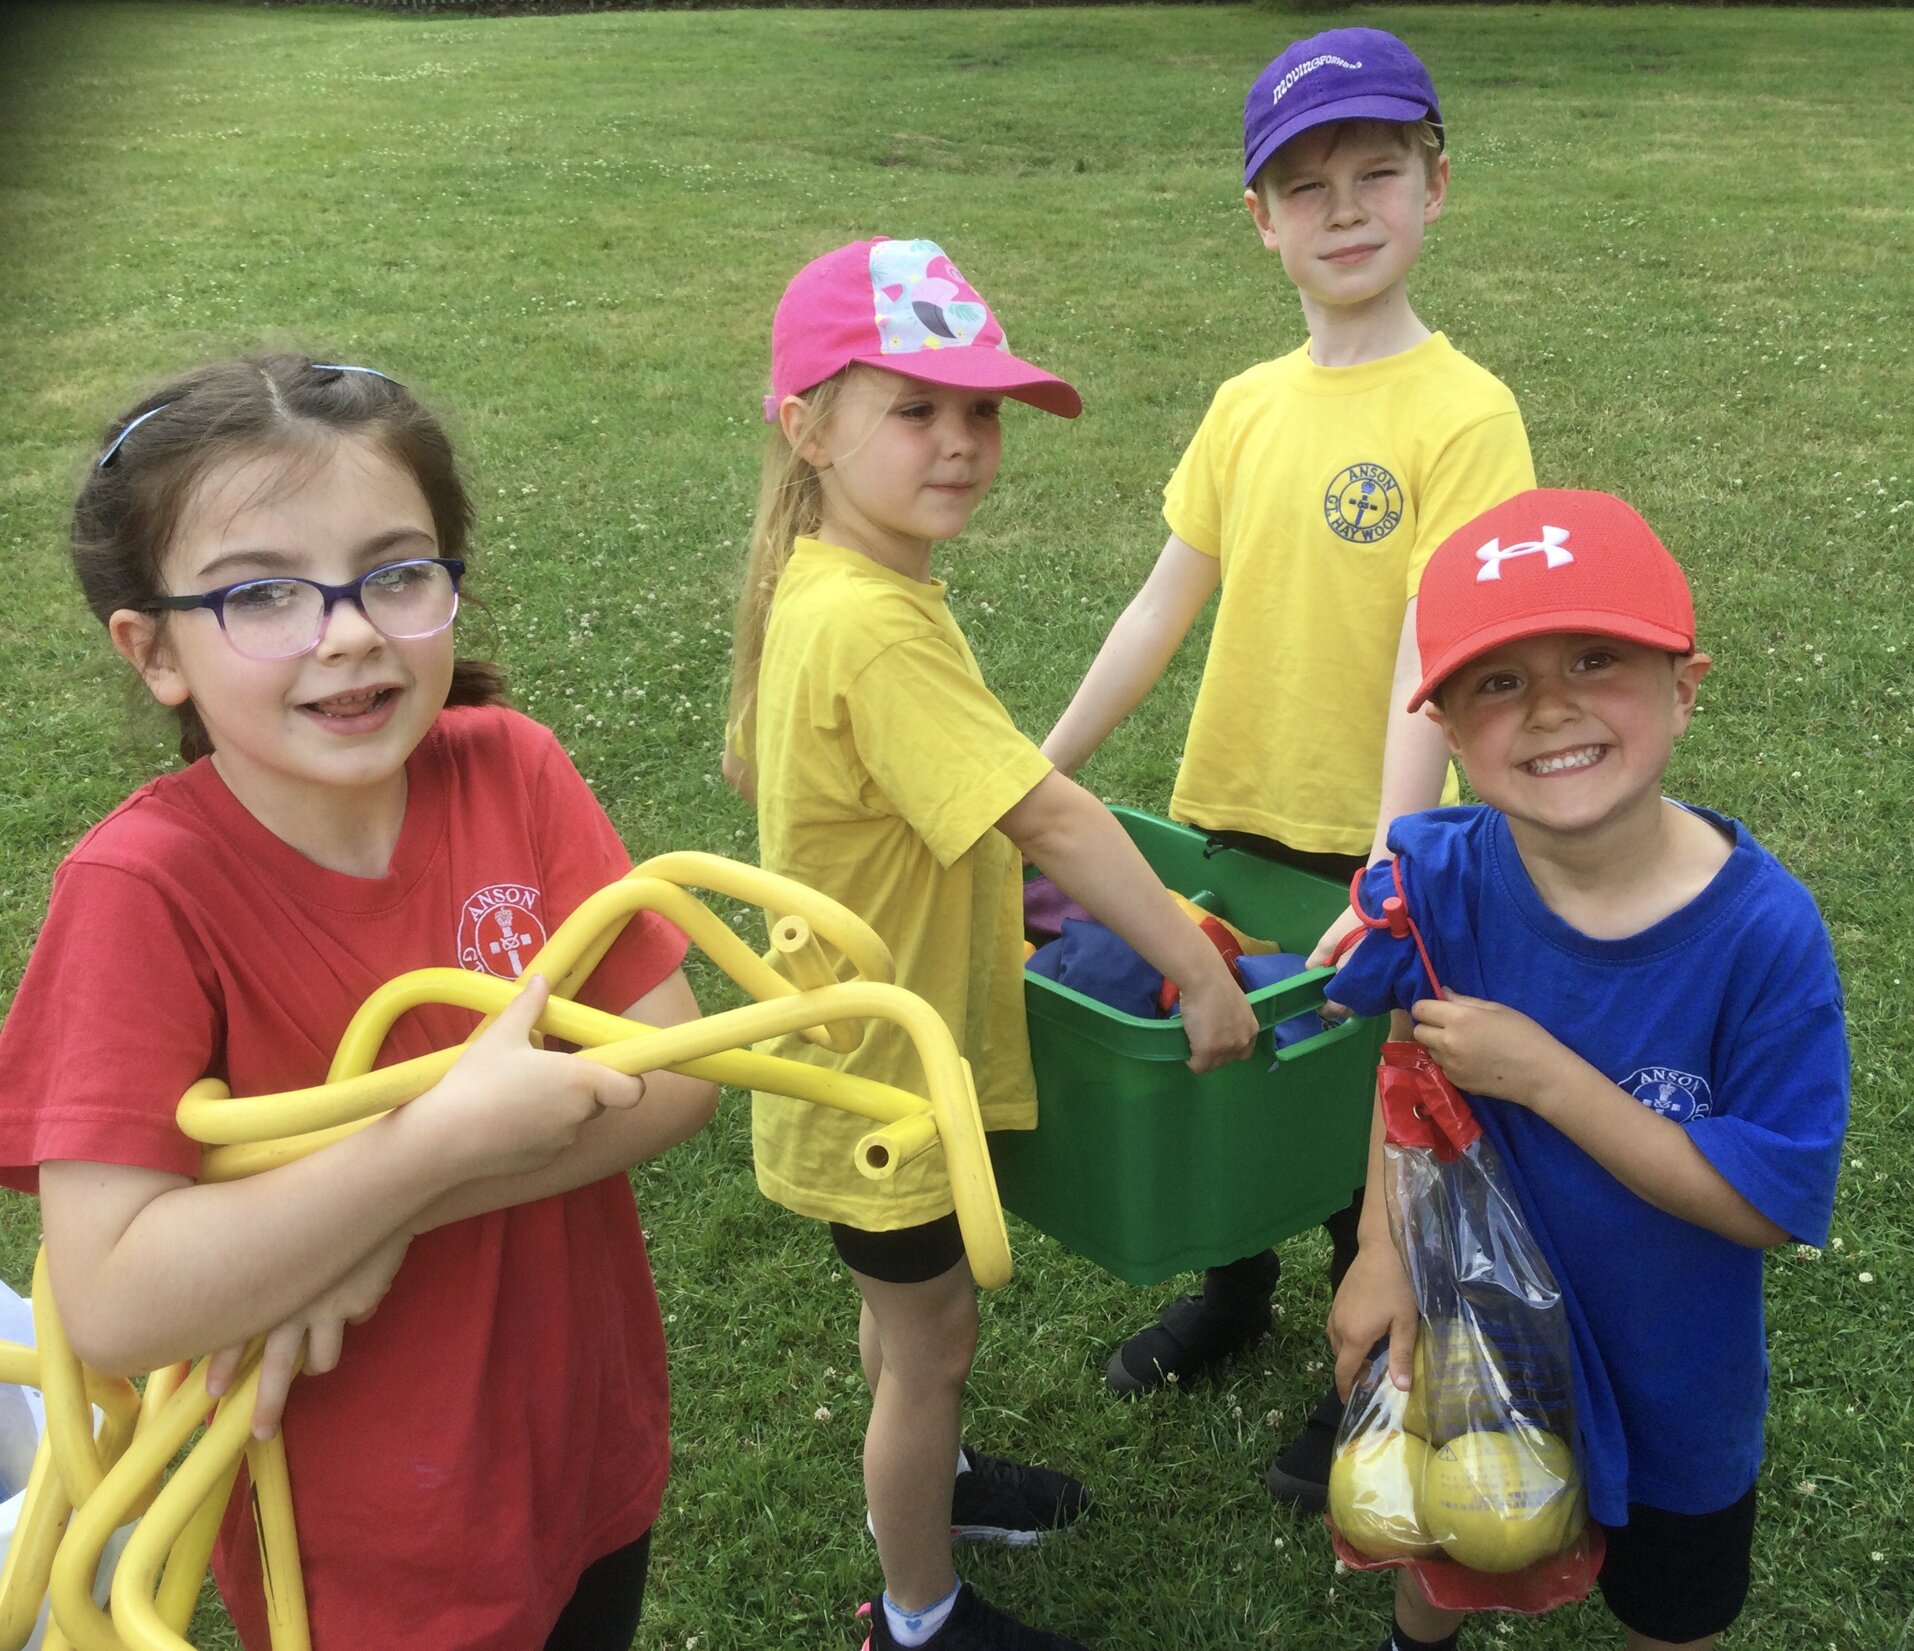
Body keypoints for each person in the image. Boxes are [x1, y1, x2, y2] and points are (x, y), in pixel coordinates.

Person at [0, 356, 722, 1651]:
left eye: (397, 569)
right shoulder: (142, 892)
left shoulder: (511, 764)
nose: (348, 629)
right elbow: (115, 1290)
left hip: (581, 1445)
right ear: (153, 647)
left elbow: (678, 1066)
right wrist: (431, 1144)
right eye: (261, 592)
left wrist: (401, 1202)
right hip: (362, 1544)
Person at [723, 237, 1260, 1651]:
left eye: (981, 410)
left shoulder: (827, 586)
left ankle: (941, 1485)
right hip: (887, 1075)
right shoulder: (875, 624)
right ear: (811, 428)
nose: (962, 442)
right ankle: (918, 1610)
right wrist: (1199, 967)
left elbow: (778, 778)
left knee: (914, 1324)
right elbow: (1055, 817)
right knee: (933, 1341)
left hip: (857, 1050)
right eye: (916, 408)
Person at [1040, 26, 1536, 1508]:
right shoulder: (1248, 404)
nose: (1344, 208)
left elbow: (1433, 659)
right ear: (1259, 219)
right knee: (1221, 1055)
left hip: (1364, 838)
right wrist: (1038, 771)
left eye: (1377, 170)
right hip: (1224, 807)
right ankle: (1232, 1289)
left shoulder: (1465, 410)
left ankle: (1371, 1353)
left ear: (1436, 185)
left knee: (1357, 1104)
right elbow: (1160, 598)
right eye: (1304, 186)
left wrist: (1393, 854)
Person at [1322, 488, 1850, 1651]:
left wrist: (1547, 1077)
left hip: (1671, 1376)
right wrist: (1376, 1246)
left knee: (1671, 1608)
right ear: (1450, 731)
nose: (1550, 706)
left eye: (1595, 659)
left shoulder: (1759, 934)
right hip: (1473, 1343)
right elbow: (1407, 1054)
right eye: (1498, 681)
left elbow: (1766, 1203)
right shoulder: (1439, 878)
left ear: (1684, 687)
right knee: (1440, 1556)